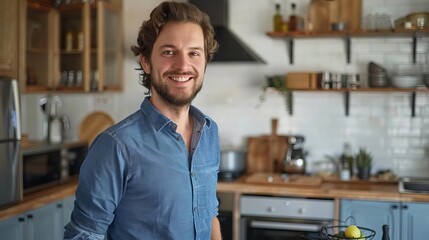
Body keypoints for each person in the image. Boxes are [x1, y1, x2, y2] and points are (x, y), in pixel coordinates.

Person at [64, 1, 221, 239]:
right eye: (169, 52)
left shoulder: (209, 132)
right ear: (146, 62)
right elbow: (84, 234)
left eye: (194, 53)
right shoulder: (116, 145)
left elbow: (209, 215)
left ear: (205, 62)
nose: (183, 64)